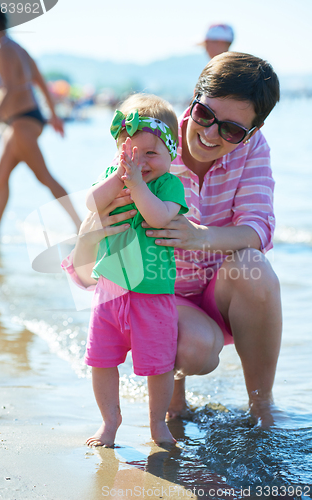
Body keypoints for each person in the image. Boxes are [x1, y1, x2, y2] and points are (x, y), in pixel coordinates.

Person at [64, 52, 282, 428]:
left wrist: (199, 237)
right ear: (194, 100)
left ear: (253, 131)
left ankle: (261, 407)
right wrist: (89, 233)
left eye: (231, 130)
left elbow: (257, 228)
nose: (210, 134)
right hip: (157, 290)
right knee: (196, 350)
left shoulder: (253, 150)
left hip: (217, 290)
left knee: (255, 267)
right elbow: (98, 234)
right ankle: (171, 399)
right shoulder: (152, 141)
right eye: (204, 116)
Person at [66, 93, 188, 447]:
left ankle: (157, 423)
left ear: (170, 154)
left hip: (152, 295)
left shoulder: (169, 185)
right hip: (110, 291)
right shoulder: (115, 176)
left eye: (150, 153)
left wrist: (136, 186)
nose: (139, 161)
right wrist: (119, 177)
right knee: (101, 360)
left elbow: (159, 216)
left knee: (158, 365)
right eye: (130, 152)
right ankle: (110, 420)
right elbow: (90, 203)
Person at [0, 3, 81, 239]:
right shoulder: (19, 48)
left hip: (23, 120)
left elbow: (11, 90)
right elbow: (39, 80)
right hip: (26, 120)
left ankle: (80, 225)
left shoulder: (5, 50)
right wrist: (53, 116)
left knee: (44, 176)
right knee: (2, 173)